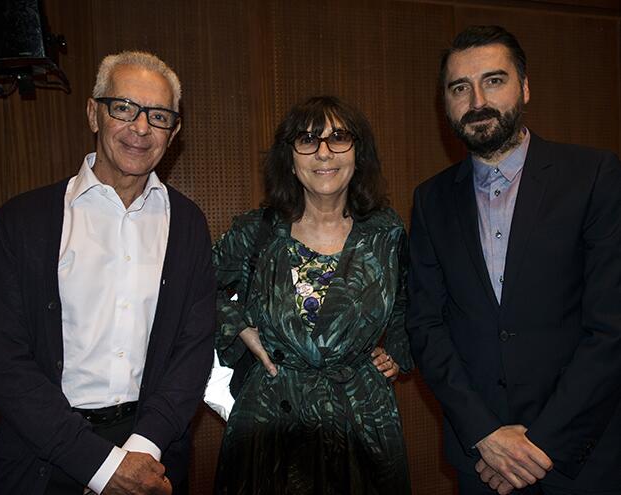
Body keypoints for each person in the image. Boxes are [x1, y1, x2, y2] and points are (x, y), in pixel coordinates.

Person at [0, 51, 215, 495]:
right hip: (41, 457)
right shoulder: (22, 222)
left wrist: (141, 451)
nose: (140, 128)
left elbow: (193, 351)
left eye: (158, 116)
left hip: (152, 455)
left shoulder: (189, 226)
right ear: (94, 113)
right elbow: (1, 361)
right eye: (124, 108)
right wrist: (101, 467)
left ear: (174, 131)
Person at [407, 25, 621, 495]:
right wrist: (484, 434)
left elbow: (611, 327)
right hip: (481, 461)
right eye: (459, 87)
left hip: (581, 459)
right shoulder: (430, 200)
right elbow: (425, 327)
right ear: (445, 103)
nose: (477, 99)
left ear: (525, 87)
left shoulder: (594, 176)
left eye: (494, 80)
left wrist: (538, 446)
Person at [212, 95, 412, 494]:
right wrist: (238, 327)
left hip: (363, 424)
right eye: (307, 140)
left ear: (359, 152)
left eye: (338, 137)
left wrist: (401, 353)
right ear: (290, 157)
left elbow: (414, 303)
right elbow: (193, 290)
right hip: (270, 428)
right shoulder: (256, 231)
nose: (324, 152)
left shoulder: (386, 234)